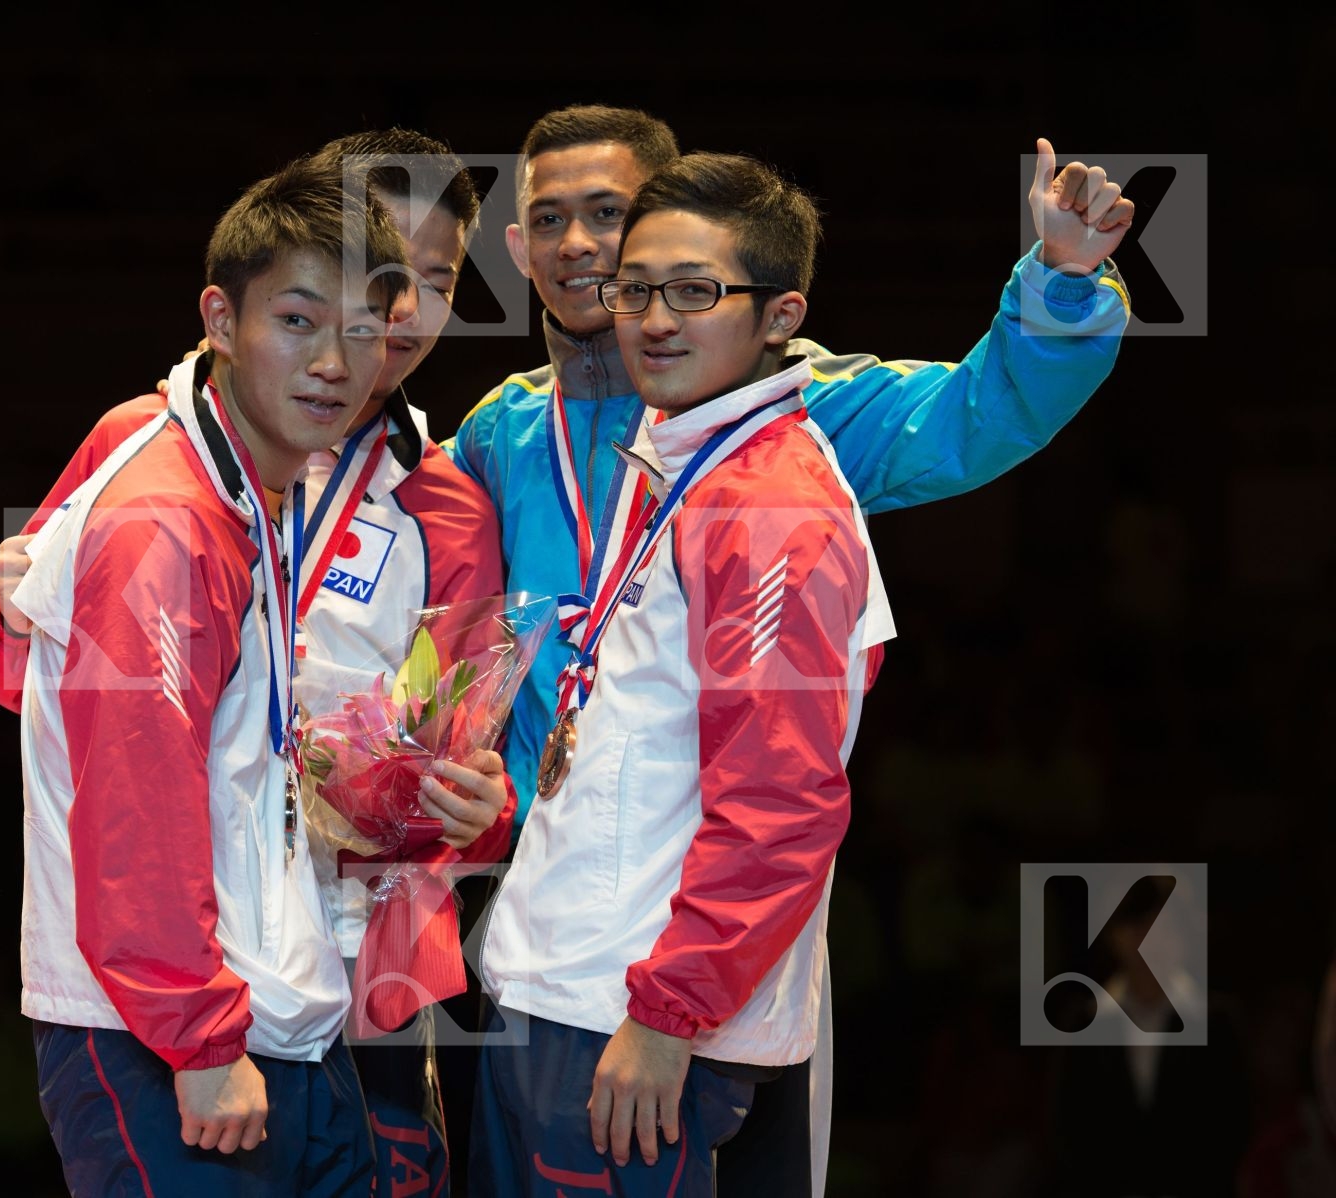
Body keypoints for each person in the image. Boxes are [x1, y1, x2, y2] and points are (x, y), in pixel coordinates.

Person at [443, 103, 1135, 1195]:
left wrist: (1059, 279)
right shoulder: (496, 430)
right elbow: (418, 612)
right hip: (535, 912)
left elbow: (975, 411)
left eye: (610, 216)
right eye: (549, 220)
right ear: (517, 249)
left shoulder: (792, 414)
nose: (580, 245)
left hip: (709, 941)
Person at [0, 130, 508, 1198]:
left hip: (351, 976)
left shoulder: (445, 507)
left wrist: (463, 803)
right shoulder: (160, 459)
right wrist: (30, 613)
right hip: (180, 988)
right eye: (350, 277)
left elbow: (463, 775)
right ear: (239, 307)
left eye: (424, 282)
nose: (388, 318)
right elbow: (43, 695)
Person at [474, 150, 893, 1197]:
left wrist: (670, 1015)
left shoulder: (773, 509)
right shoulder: (681, 463)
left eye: (697, 292)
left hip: (628, 1020)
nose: (654, 318)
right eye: (637, 287)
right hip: (568, 986)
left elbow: (783, 802)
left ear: (779, 314)